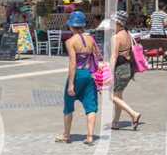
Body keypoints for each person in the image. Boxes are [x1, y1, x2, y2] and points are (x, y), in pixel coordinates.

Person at [56, 11, 99, 146]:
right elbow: (96, 58)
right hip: (88, 74)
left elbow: (72, 63)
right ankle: (90, 136)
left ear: (70, 26)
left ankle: (67, 134)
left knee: (68, 104)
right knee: (91, 106)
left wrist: (70, 84)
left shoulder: (70, 42)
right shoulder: (90, 39)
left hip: (77, 75)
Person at [107, 11, 141, 131]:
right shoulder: (127, 34)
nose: (110, 23)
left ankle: (133, 114)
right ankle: (116, 122)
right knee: (119, 96)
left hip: (119, 69)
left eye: (111, 20)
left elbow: (113, 57)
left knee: (112, 97)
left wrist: (109, 72)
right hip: (127, 67)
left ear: (117, 22)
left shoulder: (116, 37)